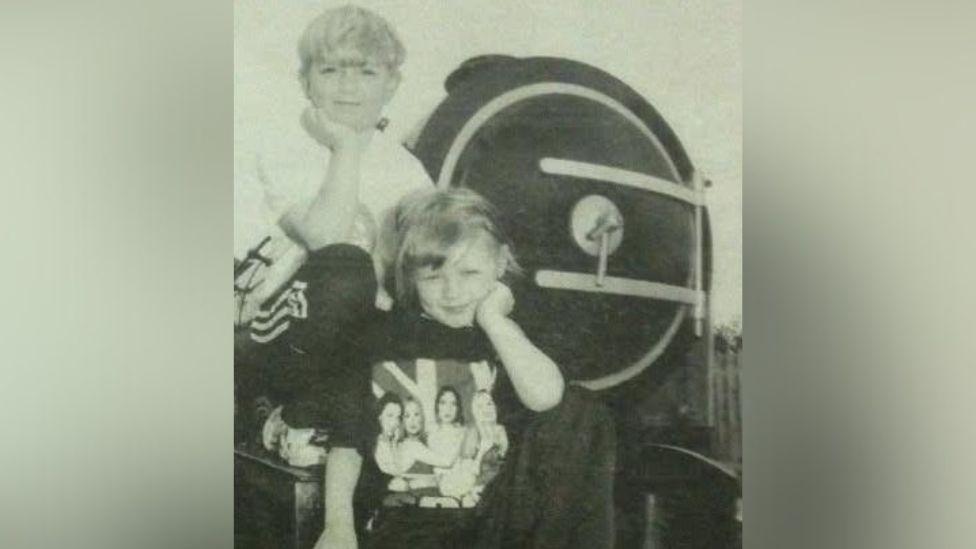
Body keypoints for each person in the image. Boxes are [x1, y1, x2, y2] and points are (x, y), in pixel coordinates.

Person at [316, 188, 617, 549]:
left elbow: (547, 399)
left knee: (580, 408)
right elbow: (346, 444)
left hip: (496, 522)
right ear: (409, 276)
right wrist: (337, 526)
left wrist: (494, 321)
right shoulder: (379, 339)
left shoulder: (508, 336)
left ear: (501, 264)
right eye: (432, 277)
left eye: (470, 272)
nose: (453, 291)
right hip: (411, 523)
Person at [233, 4, 433, 446]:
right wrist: (345, 148)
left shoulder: (407, 169)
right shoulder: (285, 146)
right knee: (346, 266)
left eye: (365, 72)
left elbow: (430, 254)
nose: (347, 87)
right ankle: (289, 416)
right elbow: (327, 242)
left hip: (364, 329)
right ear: (305, 81)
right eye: (330, 71)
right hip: (278, 328)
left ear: (392, 84)